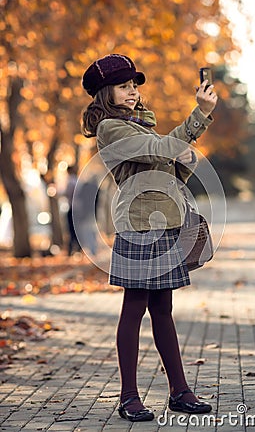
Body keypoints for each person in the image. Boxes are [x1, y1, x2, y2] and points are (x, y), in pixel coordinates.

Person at [81, 54, 218, 422]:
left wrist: (184, 160)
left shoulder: (142, 124)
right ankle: (128, 397)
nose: (133, 91)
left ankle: (180, 392)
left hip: (165, 222)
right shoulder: (110, 128)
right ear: (105, 92)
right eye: (124, 86)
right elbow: (158, 150)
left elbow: (166, 168)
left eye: (135, 84)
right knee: (134, 307)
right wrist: (199, 115)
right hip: (139, 228)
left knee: (162, 310)